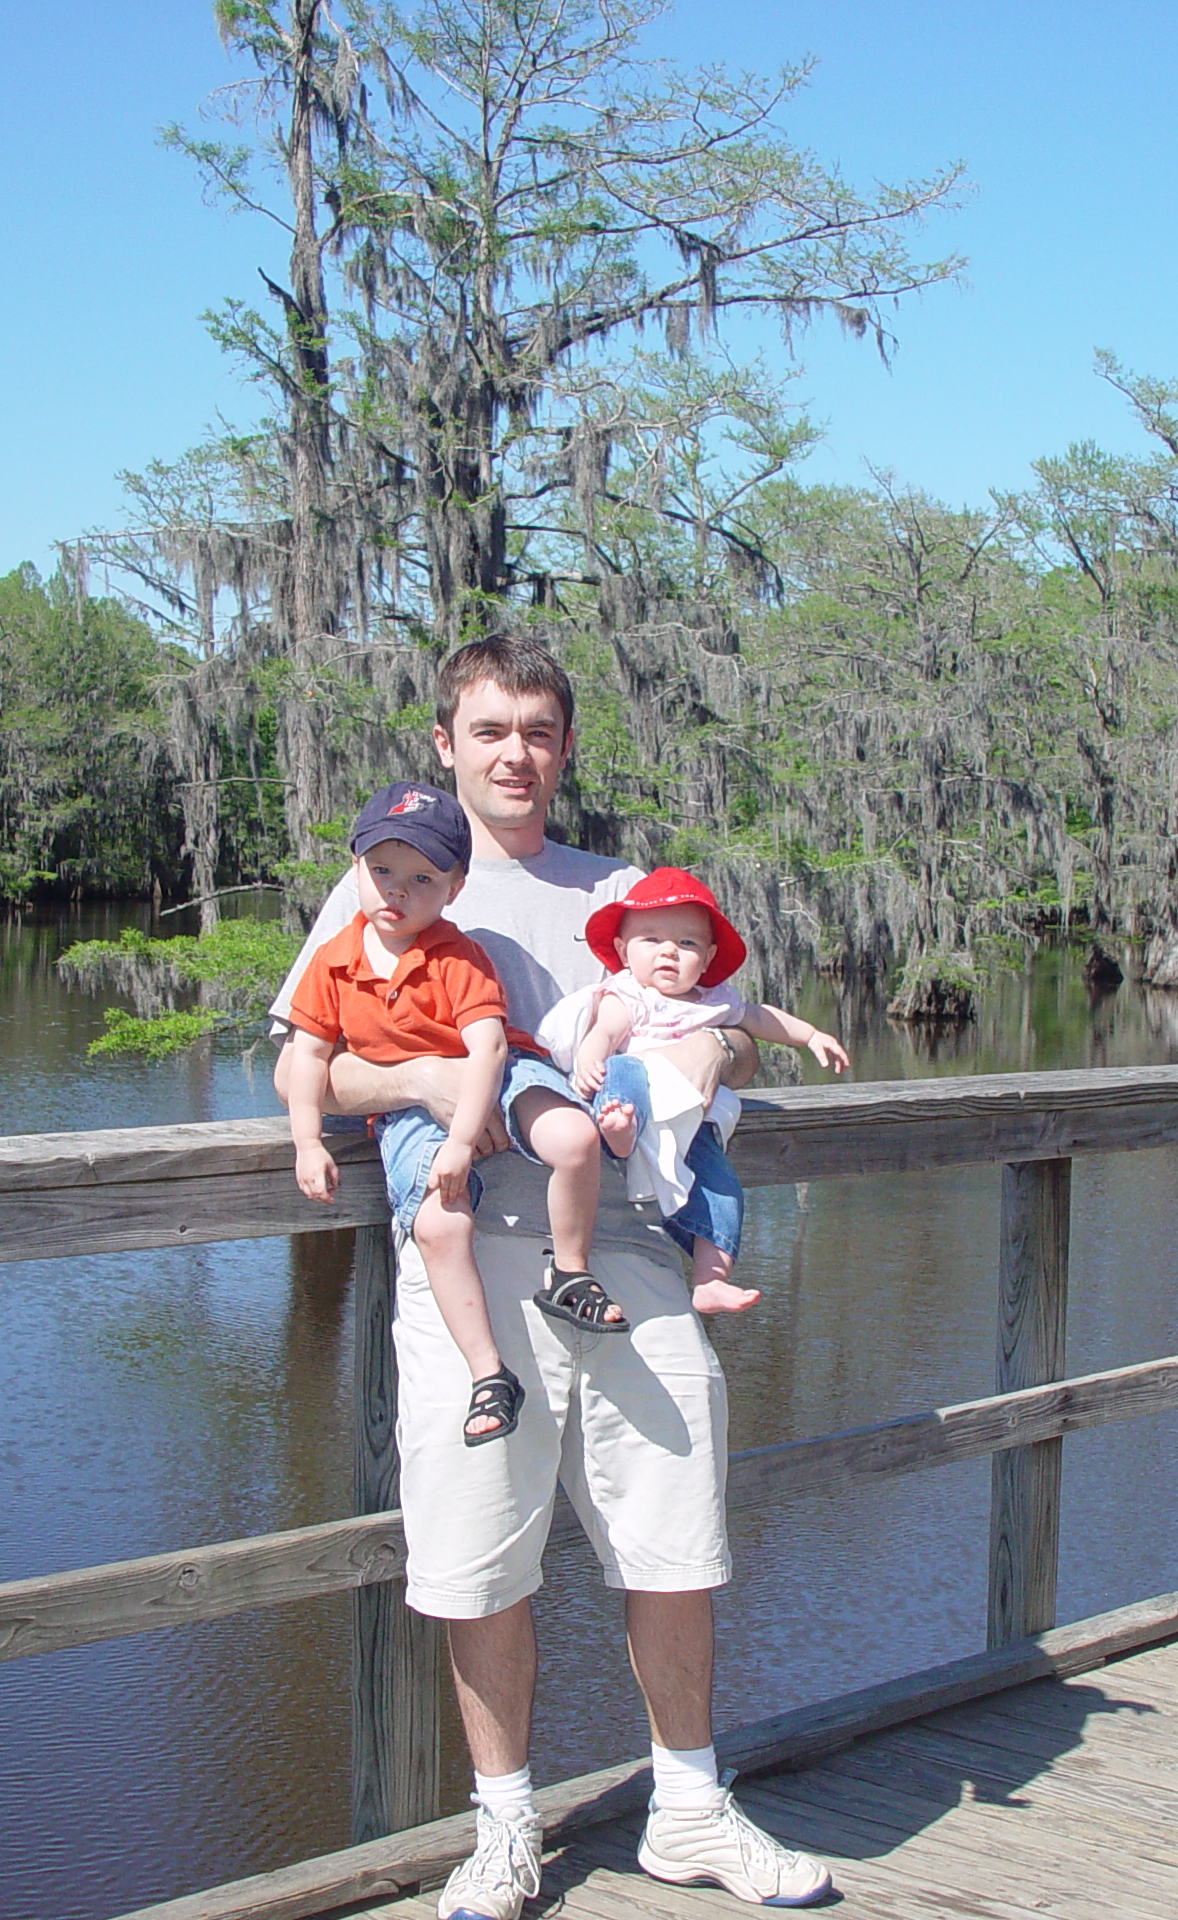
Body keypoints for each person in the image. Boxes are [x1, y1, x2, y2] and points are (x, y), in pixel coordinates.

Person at [271, 638, 836, 1918]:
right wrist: (425, 1082)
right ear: (445, 745)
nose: (514, 751)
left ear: (564, 747)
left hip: (628, 1257)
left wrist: (696, 1070)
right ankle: (504, 1827)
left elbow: (728, 1050)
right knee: (479, 1560)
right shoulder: (381, 890)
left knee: (676, 1541)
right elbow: (312, 1064)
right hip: (466, 1265)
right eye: (488, 730)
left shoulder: (631, 893)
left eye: (536, 730)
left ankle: (690, 1811)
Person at [282, 781, 631, 1448]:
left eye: (421, 877)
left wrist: (464, 1139)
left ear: (454, 887)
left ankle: (570, 1269)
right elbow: (307, 1059)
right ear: (354, 866)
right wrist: (306, 1143)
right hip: (409, 1110)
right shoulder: (332, 964)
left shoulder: (457, 954)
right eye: (380, 870)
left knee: (573, 1135)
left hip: (499, 1076)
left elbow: (490, 1048)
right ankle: (489, 1372)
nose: (396, 890)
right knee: (440, 1224)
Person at [562, 868, 851, 1314]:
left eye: (687, 943)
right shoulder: (629, 994)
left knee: (721, 1186)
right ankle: (620, 1125)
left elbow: (761, 1018)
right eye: (651, 939)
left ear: (709, 955)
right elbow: (604, 1032)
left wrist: (810, 1036)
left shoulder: (715, 1001)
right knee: (623, 1069)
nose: (668, 953)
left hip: (690, 1119)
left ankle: (711, 1278)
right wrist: (588, 1058)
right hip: (635, 1099)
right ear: (622, 949)